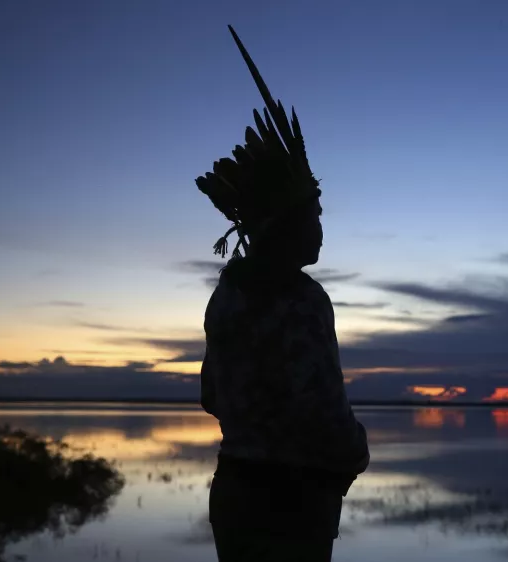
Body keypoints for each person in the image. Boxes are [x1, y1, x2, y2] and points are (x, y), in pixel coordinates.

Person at [196, 26, 369, 562]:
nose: (320, 228)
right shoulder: (301, 299)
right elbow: (320, 413)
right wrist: (354, 453)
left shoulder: (226, 294)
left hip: (237, 492)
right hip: (293, 503)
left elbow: (211, 396)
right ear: (283, 223)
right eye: (313, 216)